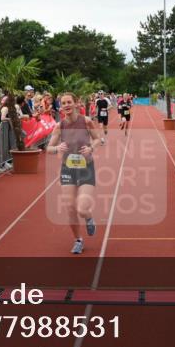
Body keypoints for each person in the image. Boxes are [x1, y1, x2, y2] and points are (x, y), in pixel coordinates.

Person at [46, 92, 102, 255]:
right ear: (61, 107)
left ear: (76, 103)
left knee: (82, 209)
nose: (66, 105)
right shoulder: (59, 126)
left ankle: (89, 217)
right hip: (68, 169)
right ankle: (78, 240)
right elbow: (48, 148)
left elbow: (98, 139)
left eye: (69, 102)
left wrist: (91, 148)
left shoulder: (86, 121)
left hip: (86, 168)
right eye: (63, 103)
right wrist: (57, 148)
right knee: (70, 208)